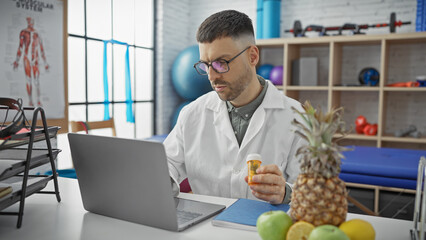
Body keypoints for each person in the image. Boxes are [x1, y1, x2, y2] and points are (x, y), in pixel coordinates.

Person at [164, 10, 306, 204]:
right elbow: (166, 164)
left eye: (221, 63)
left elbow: (313, 189)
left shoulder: (297, 117)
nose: (212, 77)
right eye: (206, 65)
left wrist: (286, 192)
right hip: (204, 230)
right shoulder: (192, 114)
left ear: (253, 56)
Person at [13, 17, 49, 107]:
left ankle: (38, 100)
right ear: (27, 22)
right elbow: (20, 47)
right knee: (29, 80)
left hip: (35, 59)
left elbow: (41, 48)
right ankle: (30, 100)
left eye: (32, 21)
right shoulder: (24, 32)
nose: (31, 23)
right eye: (29, 21)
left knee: (36, 80)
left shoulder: (37, 33)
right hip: (27, 58)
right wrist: (17, 60)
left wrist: (45, 63)